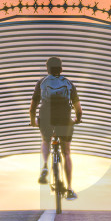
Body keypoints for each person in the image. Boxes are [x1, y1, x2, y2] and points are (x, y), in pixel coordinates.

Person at [29, 56, 82, 201]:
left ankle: (45, 165)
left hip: (46, 118)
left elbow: (32, 107)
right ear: (61, 69)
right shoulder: (69, 83)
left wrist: (33, 121)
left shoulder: (41, 83)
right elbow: (78, 109)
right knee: (66, 153)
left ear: (47, 69)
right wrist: (77, 119)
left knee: (46, 140)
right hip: (64, 119)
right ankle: (70, 189)